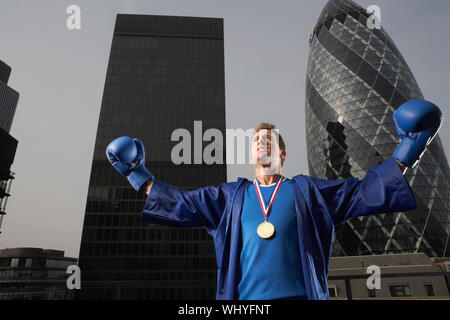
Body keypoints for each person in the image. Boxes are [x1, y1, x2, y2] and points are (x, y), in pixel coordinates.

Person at [106, 99, 442, 300]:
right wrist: (137, 174)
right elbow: (182, 203)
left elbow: (362, 191)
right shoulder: (229, 197)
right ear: (251, 153)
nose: (261, 145)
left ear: (281, 152)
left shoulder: (308, 193)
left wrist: (407, 152)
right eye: (256, 142)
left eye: (269, 141)